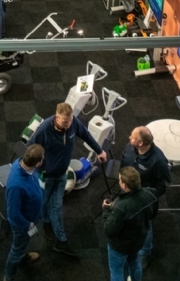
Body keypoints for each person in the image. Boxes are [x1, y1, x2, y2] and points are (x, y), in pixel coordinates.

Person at [27, 103, 106, 257]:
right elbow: (30, 147)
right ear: (57, 118)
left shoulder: (73, 122)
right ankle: (46, 222)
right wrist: (37, 165)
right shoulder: (44, 129)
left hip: (62, 174)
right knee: (43, 202)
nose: (68, 124)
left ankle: (61, 241)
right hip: (46, 176)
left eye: (70, 121)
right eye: (65, 122)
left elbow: (86, 135)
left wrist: (99, 150)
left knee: (56, 207)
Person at [121, 126, 170, 269]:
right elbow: (123, 163)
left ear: (141, 143)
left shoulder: (158, 160)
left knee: (146, 227)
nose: (129, 138)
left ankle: (145, 253)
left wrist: (147, 196)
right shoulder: (130, 148)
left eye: (132, 137)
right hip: (127, 193)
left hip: (145, 200)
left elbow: (164, 183)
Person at [103, 166, 159, 281]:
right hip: (138, 241)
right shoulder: (150, 193)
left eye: (119, 179)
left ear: (124, 185)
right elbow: (152, 214)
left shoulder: (121, 207)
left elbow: (109, 230)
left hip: (120, 246)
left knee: (116, 270)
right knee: (134, 262)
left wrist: (106, 210)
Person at [4, 144, 45, 281]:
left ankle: (23, 256)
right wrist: (28, 225)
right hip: (24, 225)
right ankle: (9, 277)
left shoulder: (21, 163)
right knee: (16, 251)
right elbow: (13, 214)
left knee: (22, 244)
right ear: (38, 163)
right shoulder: (16, 186)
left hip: (30, 217)